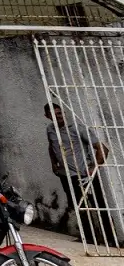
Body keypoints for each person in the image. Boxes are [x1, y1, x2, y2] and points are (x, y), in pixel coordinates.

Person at [45, 102, 118, 248]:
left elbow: (102, 148)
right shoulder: (50, 130)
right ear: (47, 116)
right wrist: (54, 163)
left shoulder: (77, 128)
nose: (58, 116)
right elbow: (52, 146)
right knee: (78, 206)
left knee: (99, 205)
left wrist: (94, 168)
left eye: (60, 113)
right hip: (67, 175)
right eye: (54, 114)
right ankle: (88, 237)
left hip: (85, 175)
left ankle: (110, 239)